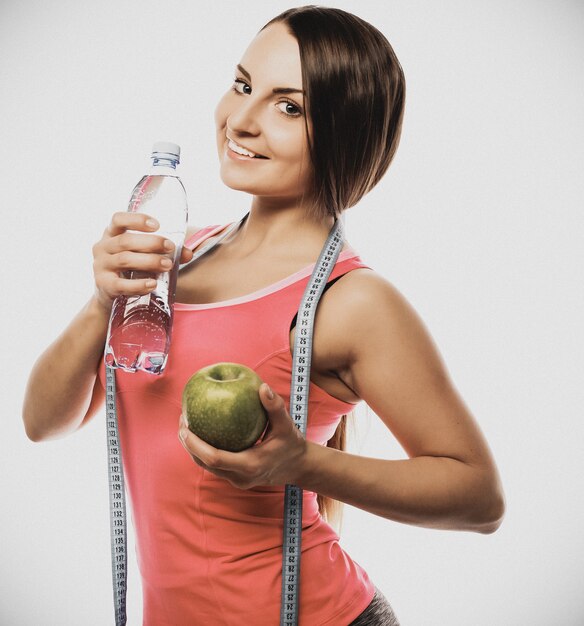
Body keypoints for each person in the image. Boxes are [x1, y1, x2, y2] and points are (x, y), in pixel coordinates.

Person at [22, 6, 505, 625]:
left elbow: (479, 498)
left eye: (289, 106)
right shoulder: (180, 254)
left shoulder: (350, 300)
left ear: (345, 133)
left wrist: (301, 463)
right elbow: (43, 421)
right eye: (244, 85)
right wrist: (102, 301)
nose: (242, 120)